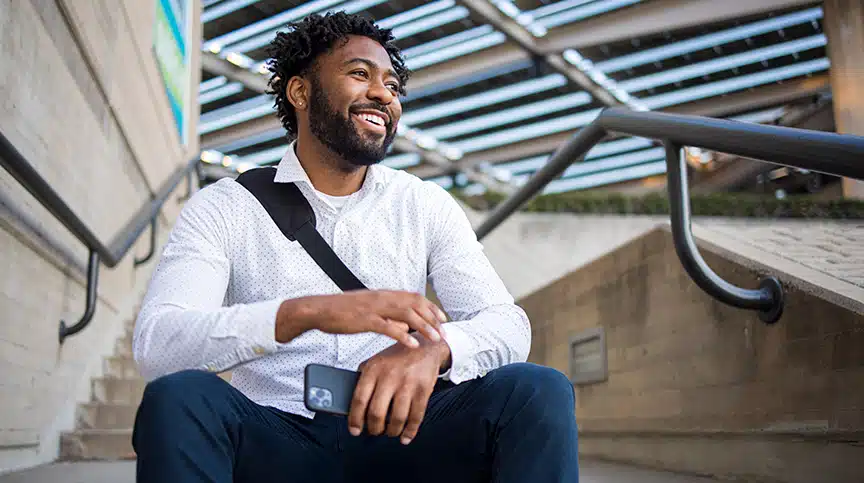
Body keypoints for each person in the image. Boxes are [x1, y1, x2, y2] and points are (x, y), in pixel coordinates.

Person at [132, 11, 578, 483]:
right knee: (178, 400)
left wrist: (436, 352)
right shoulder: (224, 207)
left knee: (537, 389)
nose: (384, 94)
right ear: (300, 92)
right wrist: (303, 313)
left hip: (403, 431)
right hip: (276, 434)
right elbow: (158, 346)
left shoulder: (423, 203)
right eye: (360, 73)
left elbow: (508, 324)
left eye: (391, 83)